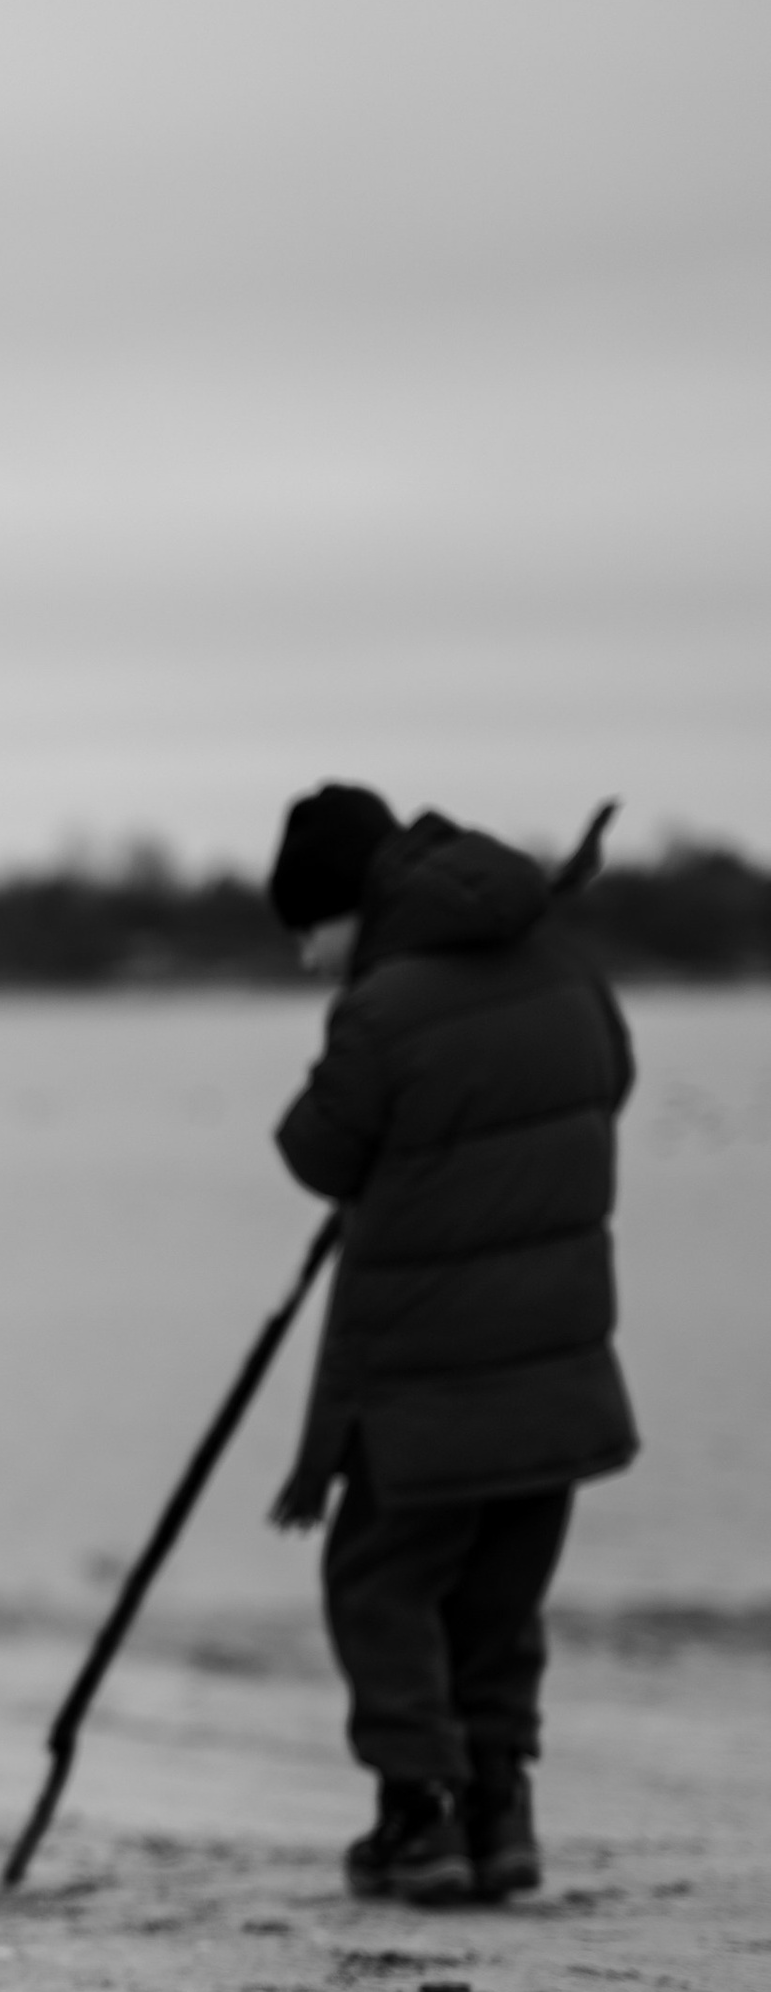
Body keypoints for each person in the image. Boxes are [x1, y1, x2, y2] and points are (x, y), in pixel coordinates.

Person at [266, 782, 636, 1905]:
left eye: (306, 931)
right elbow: (607, 1082)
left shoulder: (381, 1008)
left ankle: (418, 1815)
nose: (304, 960)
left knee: (380, 1584)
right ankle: (498, 1811)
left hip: (421, 1367)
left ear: (348, 907)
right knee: (498, 1597)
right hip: (559, 1352)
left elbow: (316, 1150)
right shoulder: (567, 967)